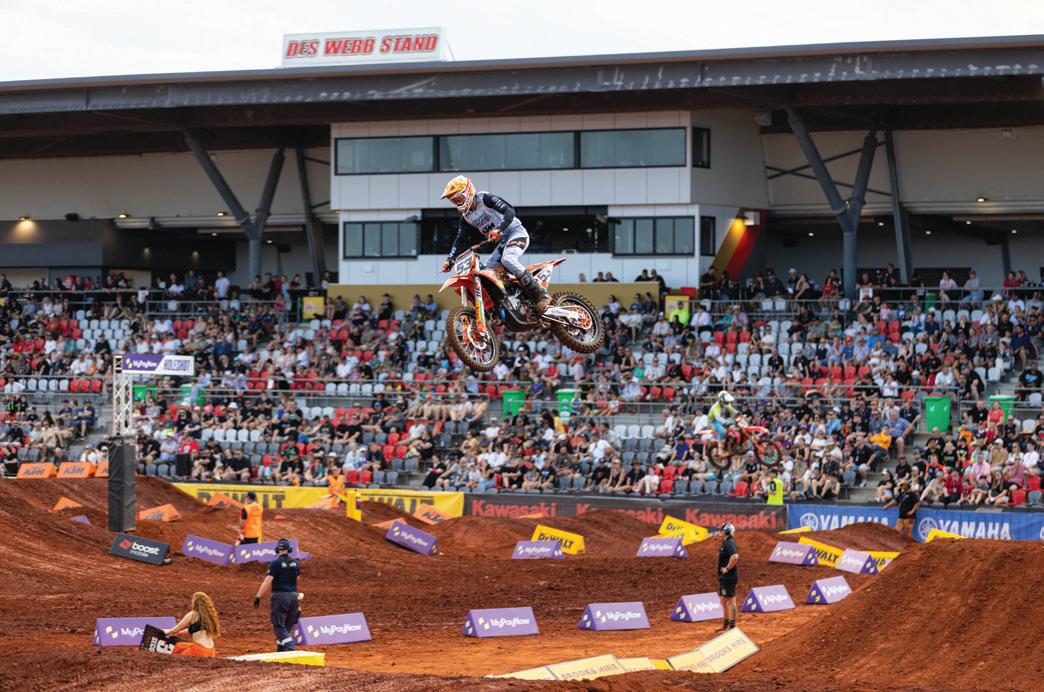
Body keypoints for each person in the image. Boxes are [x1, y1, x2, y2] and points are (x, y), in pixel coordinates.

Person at [439, 175, 549, 312]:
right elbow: (460, 240)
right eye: (454, 201)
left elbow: (510, 211)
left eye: (458, 198)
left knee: (508, 259)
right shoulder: (466, 217)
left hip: (516, 232)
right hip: (502, 242)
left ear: (468, 192)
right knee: (488, 274)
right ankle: (513, 300)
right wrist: (450, 260)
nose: (457, 203)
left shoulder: (485, 199)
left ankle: (541, 295)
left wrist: (500, 229)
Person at [253, 538, 302, 652]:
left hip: (280, 597)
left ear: (277, 549)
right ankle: (280, 652)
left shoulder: (275, 563)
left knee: (279, 626)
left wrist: (258, 596)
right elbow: (297, 578)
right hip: (294, 596)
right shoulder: (296, 563)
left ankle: (291, 649)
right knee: (286, 628)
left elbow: (268, 581)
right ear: (289, 549)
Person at [164, 592, 220, 657]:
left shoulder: (193, 614)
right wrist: (179, 633)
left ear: (194, 602)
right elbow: (194, 629)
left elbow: (177, 628)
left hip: (199, 650)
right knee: (178, 646)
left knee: (178, 658)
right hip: (211, 651)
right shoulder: (208, 617)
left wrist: (166, 632)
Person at [717, 523, 739, 630]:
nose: (719, 532)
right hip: (724, 577)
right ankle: (726, 624)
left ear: (726, 532)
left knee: (730, 601)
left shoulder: (729, 543)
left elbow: (735, 556)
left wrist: (727, 568)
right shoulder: (725, 543)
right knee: (723, 600)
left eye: (721, 530)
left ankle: (732, 626)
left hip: (728, 577)